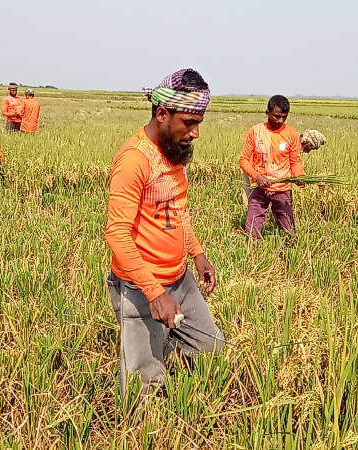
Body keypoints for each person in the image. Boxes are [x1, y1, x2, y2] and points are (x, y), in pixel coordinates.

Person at [105, 68, 224, 395]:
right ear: (162, 114)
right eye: (189, 122)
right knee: (145, 387)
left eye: (200, 122)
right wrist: (155, 293)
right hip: (141, 285)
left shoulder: (175, 154)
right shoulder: (134, 160)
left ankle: (161, 344)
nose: (196, 132)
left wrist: (198, 254)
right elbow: (117, 234)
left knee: (210, 349)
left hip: (180, 277)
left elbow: (178, 210)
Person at [239, 95, 303, 239]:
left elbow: (295, 161)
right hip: (259, 188)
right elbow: (243, 160)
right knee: (251, 233)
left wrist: (299, 177)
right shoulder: (255, 132)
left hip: (282, 190)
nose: (280, 121)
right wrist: (257, 176)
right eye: (276, 116)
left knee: (289, 233)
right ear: (267, 112)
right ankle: (251, 256)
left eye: (284, 117)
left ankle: (290, 255)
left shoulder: (291, 134)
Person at [241, 128, 327, 207]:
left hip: (264, 172)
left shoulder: (295, 146)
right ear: (308, 143)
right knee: (252, 199)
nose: (309, 152)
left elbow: (294, 164)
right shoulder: (288, 142)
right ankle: (248, 220)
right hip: (254, 168)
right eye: (311, 148)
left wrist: (299, 178)